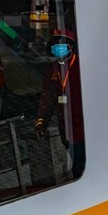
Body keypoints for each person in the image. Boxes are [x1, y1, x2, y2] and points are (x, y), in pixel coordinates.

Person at [35, 28, 85, 179]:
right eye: (55, 44)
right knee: (76, 165)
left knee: (81, 166)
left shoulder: (81, 65)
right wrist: (41, 121)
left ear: (70, 45)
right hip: (66, 128)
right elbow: (48, 96)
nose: (58, 47)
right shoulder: (51, 69)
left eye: (61, 43)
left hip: (85, 128)